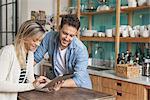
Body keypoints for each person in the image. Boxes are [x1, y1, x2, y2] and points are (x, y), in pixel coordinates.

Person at [34, 15, 92, 89]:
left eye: (71, 36)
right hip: (60, 86)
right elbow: (36, 58)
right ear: (59, 28)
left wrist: (53, 83)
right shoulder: (50, 37)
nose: (67, 38)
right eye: (65, 33)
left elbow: (79, 80)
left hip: (80, 89)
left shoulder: (80, 49)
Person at [0, 20, 50, 100]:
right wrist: (31, 85)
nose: (38, 44)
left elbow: (31, 82)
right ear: (24, 36)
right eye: (35, 40)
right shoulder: (8, 51)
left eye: (40, 41)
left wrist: (49, 87)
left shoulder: (30, 55)